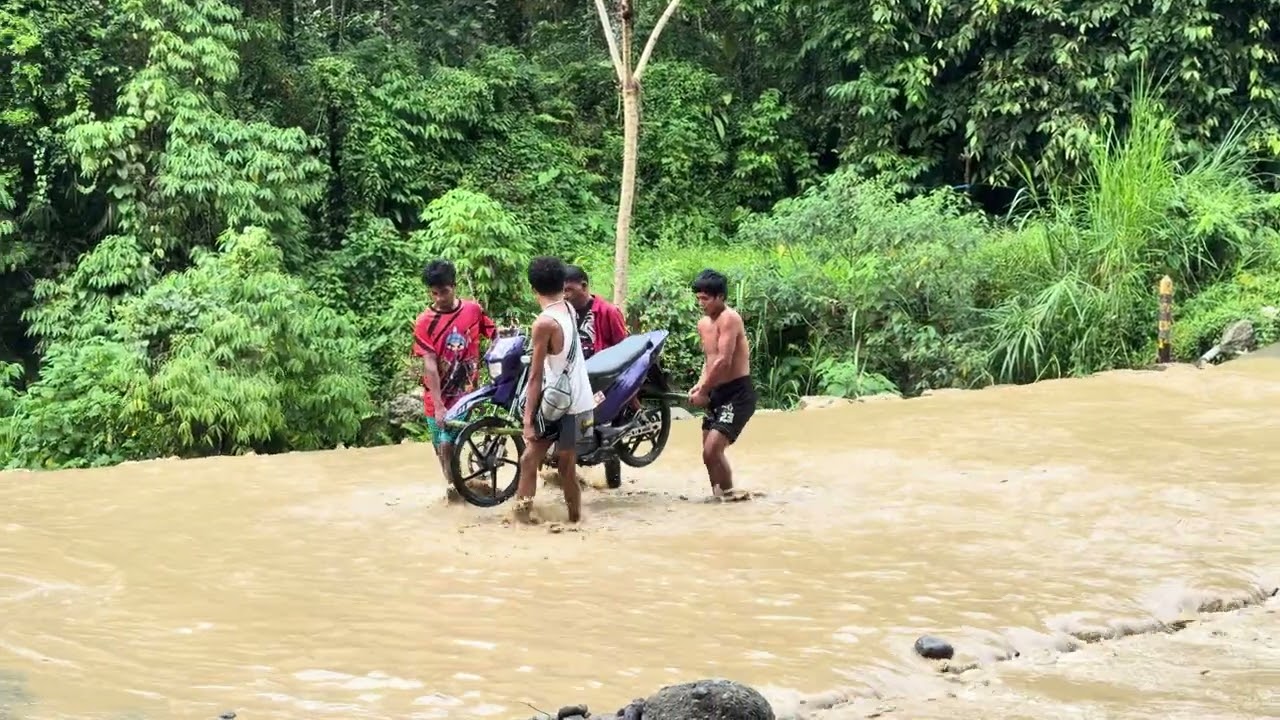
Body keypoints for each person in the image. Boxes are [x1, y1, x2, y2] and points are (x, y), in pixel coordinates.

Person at [515, 256, 596, 524]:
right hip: (581, 401)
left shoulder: (543, 324)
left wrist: (528, 421)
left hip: (560, 403)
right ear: (563, 284)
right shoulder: (570, 309)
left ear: (533, 289)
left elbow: (535, 376)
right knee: (566, 468)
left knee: (530, 460)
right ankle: (575, 521)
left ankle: (521, 521)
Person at [412, 259, 497, 502]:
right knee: (439, 447)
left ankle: (457, 494)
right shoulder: (424, 322)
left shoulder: (473, 310)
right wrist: (438, 405)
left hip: (465, 393)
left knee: (447, 443)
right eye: (434, 293)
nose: (439, 297)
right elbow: (429, 364)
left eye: (444, 291)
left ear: (454, 286)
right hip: (436, 395)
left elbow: (494, 335)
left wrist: (490, 371)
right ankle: (453, 486)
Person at [688, 268, 756, 498]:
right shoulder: (703, 324)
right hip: (716, 392)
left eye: (705, 299)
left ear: (720, 297)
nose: (701, 303)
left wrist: (704, 389)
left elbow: (724, 361)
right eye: (698, 298)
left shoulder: (730, 318)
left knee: (713, 450)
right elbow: (709, 361)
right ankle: (719, 499)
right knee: (707, 455)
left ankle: (730, 496)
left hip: (737, 394)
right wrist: (700, 385)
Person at [562, 264, 628, 359]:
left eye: (568, 290)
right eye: (561, 291)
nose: (564, 295)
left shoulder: (608, 312)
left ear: (584, 286)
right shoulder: (563, 313)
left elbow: (623, 348)